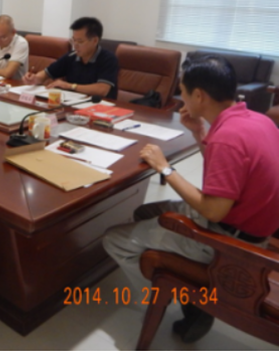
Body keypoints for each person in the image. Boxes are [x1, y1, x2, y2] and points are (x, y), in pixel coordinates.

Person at [103, 55, 279, 343]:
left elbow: (213, 210)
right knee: (145, 213)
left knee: (114, 239)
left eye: (182, 91)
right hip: (250, 227)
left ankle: (173, 299)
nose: (179, 97)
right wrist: (199, 132)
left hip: (231, 241)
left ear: (198, 95)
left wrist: (165, 169)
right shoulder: (258, 120)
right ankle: (186, 294)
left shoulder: (228, 137)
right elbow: (228, 173)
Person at [23, 17, 118, 98]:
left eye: (80, 41)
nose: (75, 45)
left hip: (100, 106)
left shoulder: (108, 59)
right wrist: (35, 78)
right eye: (74, 40)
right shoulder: (71, 56)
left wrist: (70, 86)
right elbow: (47, 73)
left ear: (95, 41)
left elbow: (102, 90)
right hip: (73, 103)